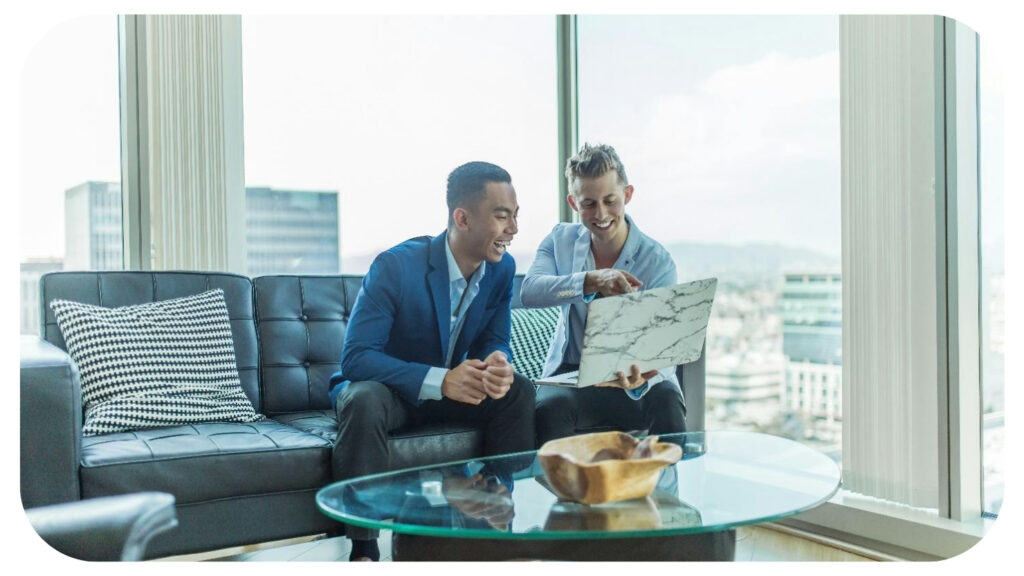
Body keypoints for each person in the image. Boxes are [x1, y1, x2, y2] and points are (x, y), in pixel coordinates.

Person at [327, 161, 535, 561]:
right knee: (363, 399)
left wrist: (497, 361)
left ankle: (493, 511)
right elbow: (356, 357)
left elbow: (496, 336)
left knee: (518, 391)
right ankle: (365, 548)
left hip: (451, 392)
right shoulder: (396, 266)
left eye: (515, 216)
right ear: (463, 217)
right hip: (392, 394)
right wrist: (440, 380)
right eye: (502, 216)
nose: (513, 229)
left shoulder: (502, 269)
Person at [520, 143, 685, 445]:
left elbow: (666, 346)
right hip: (573, 375)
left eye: (610, 200)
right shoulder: (559, 241)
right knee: (550, 409)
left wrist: (642, 375)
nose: (601, 214)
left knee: (667, 401)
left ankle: (667, 490)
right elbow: (530, 292)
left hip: (635, 375)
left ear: (628, 195)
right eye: (589, 204)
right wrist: (590, 281)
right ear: (573, 202)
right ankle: (564, 492)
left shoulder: (657, 261)